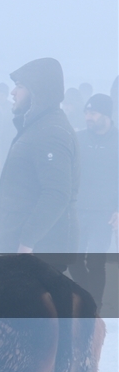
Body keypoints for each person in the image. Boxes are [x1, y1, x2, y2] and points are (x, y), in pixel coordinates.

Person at [0, 58, 79, 265]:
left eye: (20, 87)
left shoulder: (51, 133)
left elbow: (57, 193)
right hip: (26, 249)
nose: (13, 93)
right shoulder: (38, 127)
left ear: (38, 92)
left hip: (40, 251)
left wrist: (27, 242)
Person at [70, 94, 118, 301]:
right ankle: (87, 295)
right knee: (73, 259)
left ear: (106, 115)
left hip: (104, 213)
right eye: (86, 113)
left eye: (93, 113)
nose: (88, 117)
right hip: (78, 210)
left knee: (96, 262)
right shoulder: (78, 139)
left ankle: (93, 311)